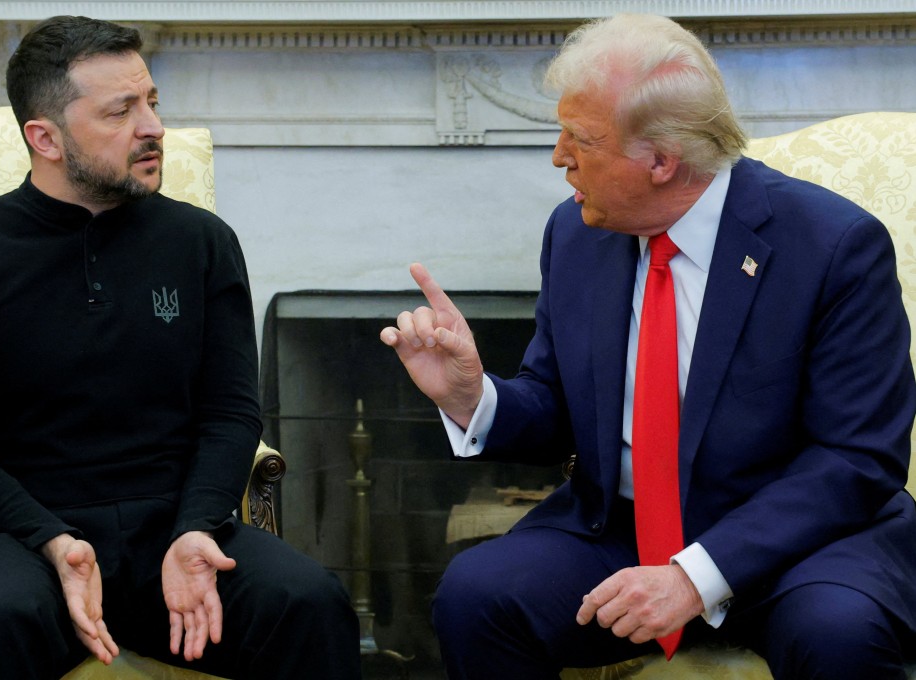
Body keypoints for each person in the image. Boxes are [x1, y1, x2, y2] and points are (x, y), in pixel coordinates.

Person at [381, 13, 916, 680]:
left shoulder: (834, 246)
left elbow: (856, 460)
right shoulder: (577, 233)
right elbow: (555, 407)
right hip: (623, 529)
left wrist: (693, 577)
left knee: (840, 634)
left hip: (799, 545)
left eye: (581, 139)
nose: (558, 156)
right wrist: (473, 397)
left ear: (661, 160)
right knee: (479, 596)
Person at [0, 15, 361, 680]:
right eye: (121, 110)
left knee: (310, 602)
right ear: (44, 137)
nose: (152, 127)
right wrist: (54, 542)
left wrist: (198, 527)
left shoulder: (201, 243)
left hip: (175, 530)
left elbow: (230, 413)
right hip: (26, 540)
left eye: (152, 102)